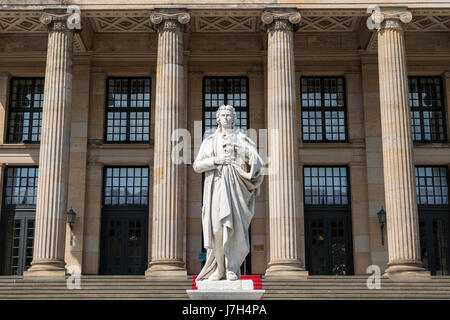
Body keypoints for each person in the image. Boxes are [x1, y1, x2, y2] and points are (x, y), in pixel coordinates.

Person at [193, 104, 265, 282]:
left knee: (234, 230)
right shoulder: (209, 141)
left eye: (229, 115)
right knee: (217, 229)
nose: (225, 118)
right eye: (222, 115)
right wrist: (216, 160)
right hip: (216, 187)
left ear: (234, 119)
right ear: (218, 119)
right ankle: (219, 269)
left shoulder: (242, 138)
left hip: (236, 188)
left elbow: (257, 162)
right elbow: (197, 165)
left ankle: (232, 268)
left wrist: (242, 151)